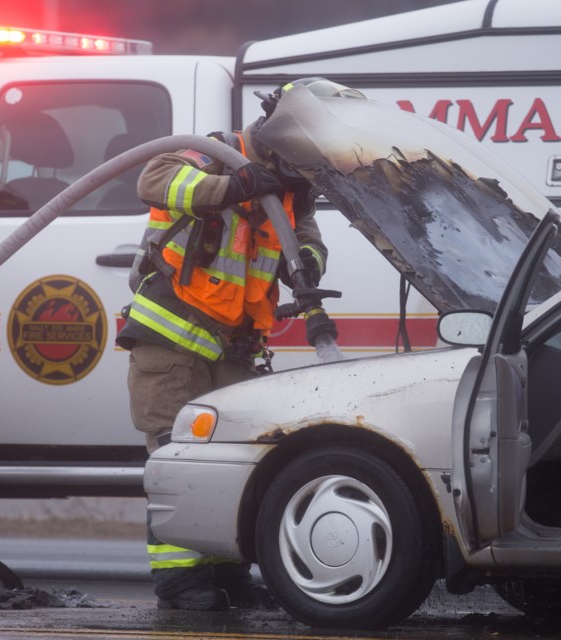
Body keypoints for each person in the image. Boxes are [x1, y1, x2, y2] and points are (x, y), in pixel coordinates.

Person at [116, 78, 330, 611]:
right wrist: (231, 186)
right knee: (179, 457)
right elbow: (153, 178)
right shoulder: (211, 152)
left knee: (235, 461)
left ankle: (228, 568)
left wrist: (305, 264)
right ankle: (180, 579)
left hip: (235, 345)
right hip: (172, 338)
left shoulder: (290, 186)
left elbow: (309, 238)